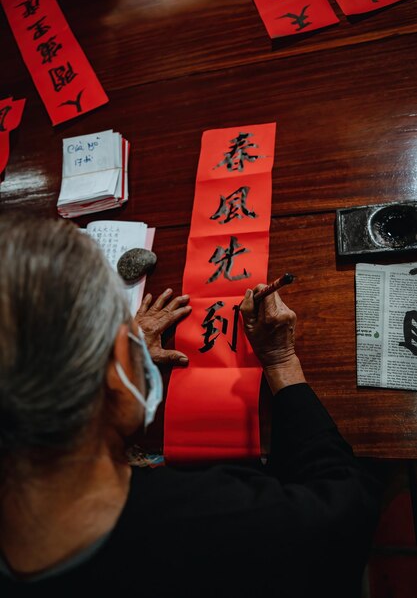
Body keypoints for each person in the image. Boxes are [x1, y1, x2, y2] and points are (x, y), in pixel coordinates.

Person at [0, 216, 381, 598]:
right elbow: (346, 508)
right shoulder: (219, 521)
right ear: (115, 374)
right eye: (126, 339)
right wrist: (282, 363)